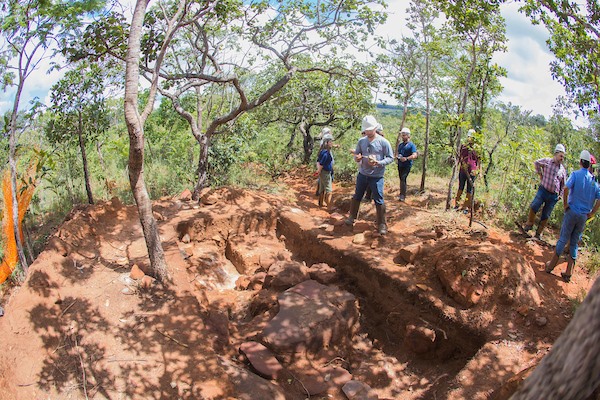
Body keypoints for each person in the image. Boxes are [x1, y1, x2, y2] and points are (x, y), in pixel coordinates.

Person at [545, 150, 600, 282]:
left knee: (563, 238)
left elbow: (565, 188)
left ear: (581, 162)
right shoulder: (593, 181)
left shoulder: (576, 174)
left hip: (572, 212)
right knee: (574, 243)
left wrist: (565, 205)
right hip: (583, 216)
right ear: (589, 165)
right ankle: (568, 273)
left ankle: (550, 266)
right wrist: (592, 212)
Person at [345, 115, 394, 235]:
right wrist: (358, 158)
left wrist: (379, 163)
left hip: (377, 176)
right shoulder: (361, 141)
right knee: (357, 195)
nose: (368, 132)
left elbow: (390, 158)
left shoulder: (383, 142)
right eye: (366, 130)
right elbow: (357, 155)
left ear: (375, 128)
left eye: (370, 130)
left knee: (378, 199)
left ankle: (382, 224)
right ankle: (352, 216)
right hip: (363, 174)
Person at [521, 144, 568, 239]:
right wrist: (540, 175)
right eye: (561, 156)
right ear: (556, 154)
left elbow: (564, 184)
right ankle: (529, 224)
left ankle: (538, 233)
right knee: (534, 205)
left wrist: (560, 195)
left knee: (546, 214)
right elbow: (536, 163)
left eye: (563, 156)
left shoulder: (562, 170)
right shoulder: (547, 161)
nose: (562, 158)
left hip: (553, 195)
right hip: (543, 190)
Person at [454, 129, 480, 213]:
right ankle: (456, 204)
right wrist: (457, 166)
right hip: (463, 170)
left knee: (469, 189)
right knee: (460, 187)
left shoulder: (477, 148)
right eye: (469, 137)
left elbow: (479, 161)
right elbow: (459, 157)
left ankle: (465, 207)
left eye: (471, 137)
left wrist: (479, 172)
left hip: (472, 171)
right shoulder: (463, 146)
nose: (470, 139)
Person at [396, 127, 418, 202]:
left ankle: (402, 196)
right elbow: (399, 153)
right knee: (401, 179)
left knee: (403, 178)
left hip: (407, 165)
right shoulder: (401, 145)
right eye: (402, 135)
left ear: (408, 136)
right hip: (400, 164)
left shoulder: (412, 145)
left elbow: (415, 155)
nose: (403, 136)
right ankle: (401, 194)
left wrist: (406, 158)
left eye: (404, 135)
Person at [315, 137, 334, 209]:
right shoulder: (326, 153)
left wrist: (318, 170)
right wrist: (319, 170)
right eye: (330, 142)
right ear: (327, 143)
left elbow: (318, 161)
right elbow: (321, 163)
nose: (332, 144)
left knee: (322, 187)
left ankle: (320, 203)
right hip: (325, 172)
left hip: (323, 172)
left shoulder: (322, 151)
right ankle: (329, 207)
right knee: (329, 190)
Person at [315, 127, 334, 196]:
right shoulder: (326, 152)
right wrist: (319, 170)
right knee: (328, 187)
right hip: (326, 168)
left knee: (321, 182)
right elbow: (322, 162)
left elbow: (319, 160)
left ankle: (320, 197)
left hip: (323, 167)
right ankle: (328, 203)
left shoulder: (323, 145)